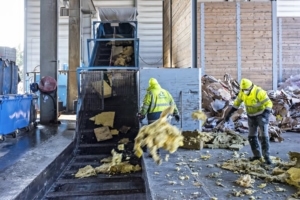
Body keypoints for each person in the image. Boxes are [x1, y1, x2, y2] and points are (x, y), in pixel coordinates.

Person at [224, 78, 273, 165]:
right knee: (251, 136)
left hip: (261, 115)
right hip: (251, 116)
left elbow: (269, 103)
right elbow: (236, 104)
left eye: (246, 89)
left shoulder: (259, 92)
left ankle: (267, 157)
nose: (244, 91)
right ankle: (257, 156)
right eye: (243, 89)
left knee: (263, 136)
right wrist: (229, 114)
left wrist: (266, 114)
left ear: (251, 87)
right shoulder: (242, 92)